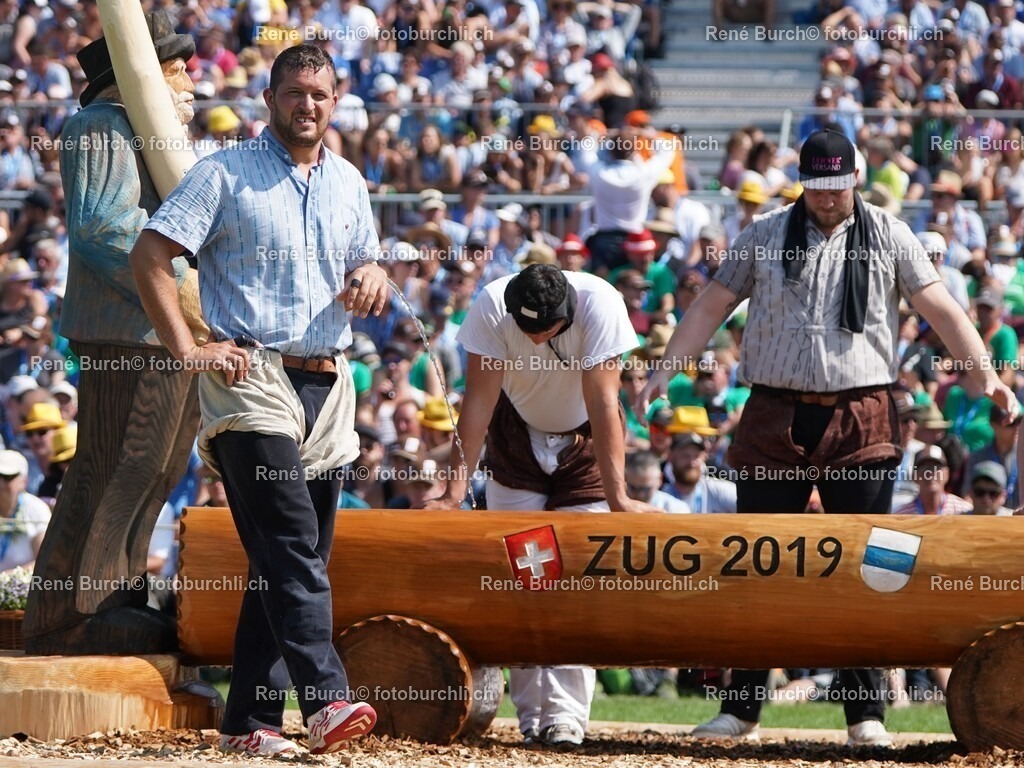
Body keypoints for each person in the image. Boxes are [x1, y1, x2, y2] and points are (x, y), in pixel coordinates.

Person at [641, 128, 1019, 747]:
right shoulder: (764, 233)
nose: (825, 199)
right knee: (758, 562)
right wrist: (663, 371)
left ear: (856, 179)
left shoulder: (891, 235)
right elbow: (710, 305)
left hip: (862, 412)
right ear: (804, 183)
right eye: (815, 188)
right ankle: (741, 709)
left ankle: (865, 713)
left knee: (869, 563)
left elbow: (942, 309)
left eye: (836, 187)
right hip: (772, 410)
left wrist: (987, 378)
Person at [129, 44, 382, 757]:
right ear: (269, 98)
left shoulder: (351, 183)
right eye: (296, 92)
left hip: (330, 380)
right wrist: (187, 349)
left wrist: (372, 276)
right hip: (251, 379)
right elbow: (150, 254)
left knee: (292, 555)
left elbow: (364, 261)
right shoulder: (223, 173)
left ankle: (249, 723)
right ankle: (327, 701)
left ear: (336, 103)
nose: (309, 105)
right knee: (294, 549)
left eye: (321, 95)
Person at [24, 9, 205, 656]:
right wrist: (187, 289)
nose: (191, 81)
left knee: (155, 469)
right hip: (128, 333)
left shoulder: (162, 143)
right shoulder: (99, 128)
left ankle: (117, 593)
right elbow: (104, 230)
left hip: (169, 335)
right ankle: (72, 612)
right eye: (177, 69)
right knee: (118, 465)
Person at [424, 263, 659, 746]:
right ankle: (533, 716)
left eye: (543, 330)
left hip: (587, 442)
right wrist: (451, 494)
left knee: (572, 581)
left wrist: (619, 498)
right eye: (524, 328)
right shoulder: (491, 305)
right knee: (526, 580)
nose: (532, 341)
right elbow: (477, 406)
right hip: (515, 437)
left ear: (566, 313)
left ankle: (567, 717)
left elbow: (603, 403)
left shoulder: (602, 304)